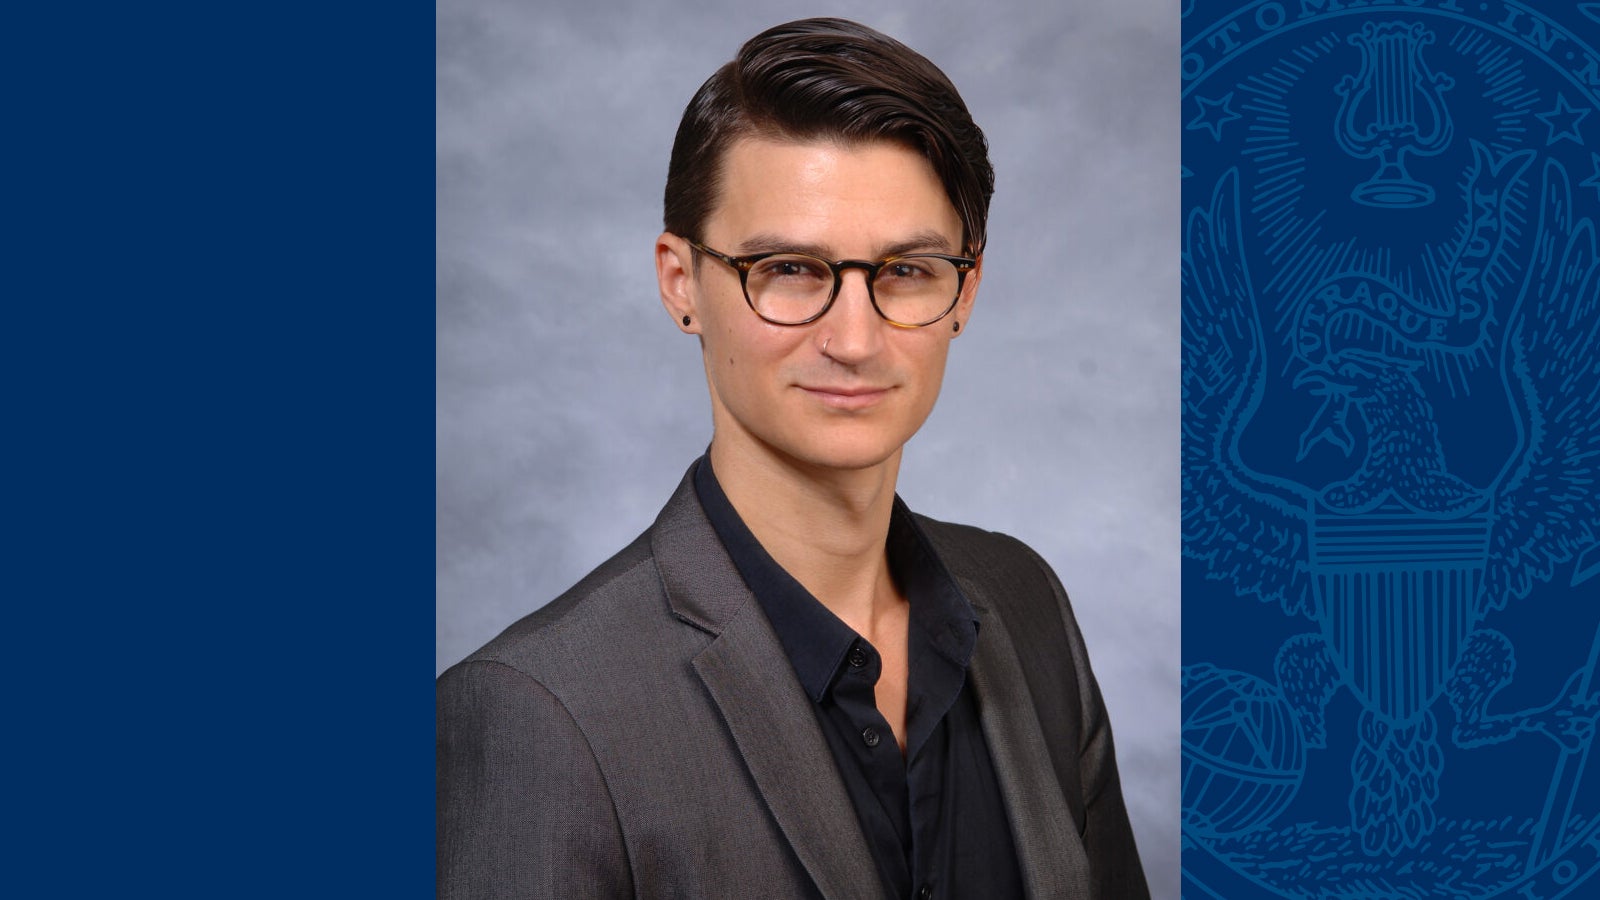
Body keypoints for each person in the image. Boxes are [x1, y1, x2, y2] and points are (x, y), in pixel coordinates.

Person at [437, 17, 1148, 899]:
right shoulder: (535, 716)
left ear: (965, 291)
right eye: (789, 269)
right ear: (680, 284)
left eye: (908, 271)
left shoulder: (1027, 602)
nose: (855, 338)